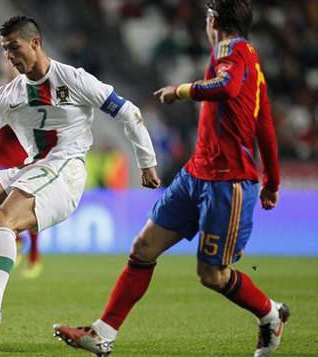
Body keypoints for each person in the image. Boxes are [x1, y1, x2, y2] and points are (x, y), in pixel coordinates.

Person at [54, 1, 289, 357]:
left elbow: (225, 86)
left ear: (213, 21)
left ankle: (271, 314)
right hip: (196, 173)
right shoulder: (251, 60)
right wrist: (272, 179)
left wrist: (179, 91)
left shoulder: (231, 49)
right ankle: (103, 334)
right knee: (143, 248)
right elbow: (265, 125)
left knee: (212, 275)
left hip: (228, 182)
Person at [0, 15, 160, 330]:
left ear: (35, 43)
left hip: (65, 171)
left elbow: (128, 112)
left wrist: (146, 162)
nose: (9, 57)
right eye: (5, 50)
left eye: (14, 48)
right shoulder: (7, 95)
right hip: (32, 168)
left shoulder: (74, 79)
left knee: (2, 219)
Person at [0, 55, 42, 278]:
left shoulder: (29, 90)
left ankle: (35, 256)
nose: (9, 64)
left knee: (30, 211)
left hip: (24, 159)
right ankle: (15, 240)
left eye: (12, 60)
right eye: (5, 60)